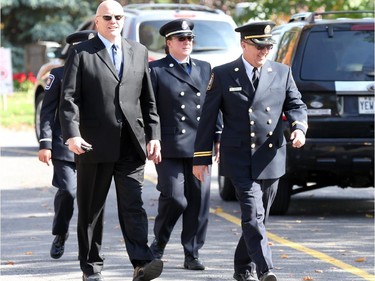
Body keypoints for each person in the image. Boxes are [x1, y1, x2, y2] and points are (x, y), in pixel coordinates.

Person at [192, 21, 308, 281]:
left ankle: (242, 269)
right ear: (243, 44)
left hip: (271, 158)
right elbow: (208, 119)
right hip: (239, 158)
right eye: (259, 46)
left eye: (268, 46)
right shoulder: (222, 74)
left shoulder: (281, 72)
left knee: (258, 219)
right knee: (252, 213)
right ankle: (265, 270)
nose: (264, 51)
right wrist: (200, 159)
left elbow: (296, 104)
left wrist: (299, 129)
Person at [59, 1, 163, 280]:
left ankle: (142, 262)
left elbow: (148, 99)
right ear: (97, 21)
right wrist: (73, 134)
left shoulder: (138, 51)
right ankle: (91, 268)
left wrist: (154, 136)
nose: (113, 21)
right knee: (92, 210)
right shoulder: (82, 52)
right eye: (107, 17)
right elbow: (68, 99)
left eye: (118, 16)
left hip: (131, 143)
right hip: (93, 145)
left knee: (133, 205)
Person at [148, 19, 220, 270]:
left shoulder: (204, 67)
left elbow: (212, 105)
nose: (187, 42)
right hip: (169, 144)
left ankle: (192, 252)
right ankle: (159, 242)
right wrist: (152, 137)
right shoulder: (156, 70)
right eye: (181, 39)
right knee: (175, 198)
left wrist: (217, 135)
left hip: (199, 144)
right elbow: (151, 109)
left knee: (199, 201)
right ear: (169, 43)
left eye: (190, 39)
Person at [38, 30, 97, 260]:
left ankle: (90, 247)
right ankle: (60, 234)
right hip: (64, 147)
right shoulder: (59, 74)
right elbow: (47, 112)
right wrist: (45, 144)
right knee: (69, 191)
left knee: (91, 198)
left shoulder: (99, 74)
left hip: (93, 146)